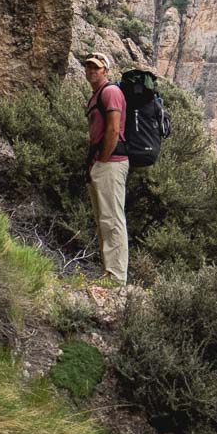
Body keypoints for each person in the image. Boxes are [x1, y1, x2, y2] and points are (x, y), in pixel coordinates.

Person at [82, 53, 129, 284]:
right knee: (104, 220)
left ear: (106, 71)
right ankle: (109, 273)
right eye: (89, 67)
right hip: (101, 163)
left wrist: (103, 159)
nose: (91, 71)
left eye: (97, 68)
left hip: (111, 164)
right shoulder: (95, 96)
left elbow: (112, 130)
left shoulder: (110, 92)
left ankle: (117, 278)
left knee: (112, 219)